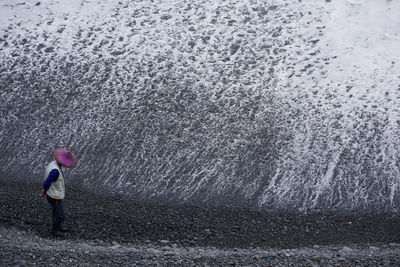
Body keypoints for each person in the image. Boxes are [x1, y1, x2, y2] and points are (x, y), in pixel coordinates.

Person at [39, 148, 78, 237]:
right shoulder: (55, 171)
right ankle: (54, 230)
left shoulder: (53, 164)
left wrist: (45, 190)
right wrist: (44, 189)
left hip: (53, 194)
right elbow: (47, 182)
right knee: (61, 215)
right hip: (54, 196)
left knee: (55, 211)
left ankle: (58, 226)